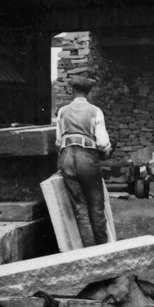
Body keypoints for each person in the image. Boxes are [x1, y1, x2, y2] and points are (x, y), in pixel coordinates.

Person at [55, 76, 112, 246]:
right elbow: (102, 143)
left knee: (80, 207)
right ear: (89, 92)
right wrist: (107, 150)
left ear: (73, 91)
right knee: (96, 205)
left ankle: (88, 251)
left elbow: (58, 142)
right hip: (87, 159)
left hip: (66, 159)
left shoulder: (62, 111)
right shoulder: (95, 111)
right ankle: (103, 251)